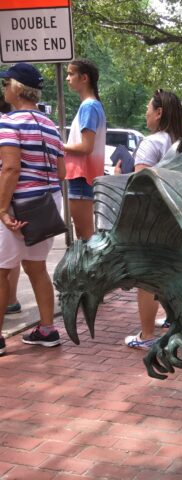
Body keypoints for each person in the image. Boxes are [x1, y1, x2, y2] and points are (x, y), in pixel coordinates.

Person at [115, 89, 182, 350]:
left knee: (145, 278)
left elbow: (141, 188)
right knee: (171, 271)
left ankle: (146, 336)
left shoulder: (152, 143)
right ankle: (174, 321)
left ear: (159, 113)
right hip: (179, 218)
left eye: (149, 108)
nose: (145, 113)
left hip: (153, 220)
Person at [0, 63, 66, 355]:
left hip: (19, 207)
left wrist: (2, 210)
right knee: (36, 268)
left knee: (1, 272)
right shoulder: (50, 125)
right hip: (47, 206)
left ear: (16, 88)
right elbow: (61, 172)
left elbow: (11, 167)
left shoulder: (9, 122)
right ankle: (48, 329)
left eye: (5, 84)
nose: (3, 89)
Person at [64, 59, 106, 239]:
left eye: (71, 74)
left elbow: (86, 147)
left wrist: (59, 146)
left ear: (84, 78)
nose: (67, 78)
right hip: (84, 176)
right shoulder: (91, 105)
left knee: (85, 237)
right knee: (85, 235)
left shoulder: (89, 106)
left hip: (82, 176)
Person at [0, 95, 21, 315]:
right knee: (10, 257)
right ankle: (11, 300)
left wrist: (3, 209)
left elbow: (11, 168)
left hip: (6, 198)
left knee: (4, 263)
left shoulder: (5, 125)